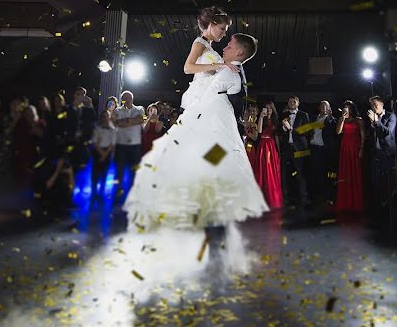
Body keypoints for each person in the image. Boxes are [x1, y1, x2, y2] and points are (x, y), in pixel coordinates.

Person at [124, 32, 267, 231]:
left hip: (213, 125)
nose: (224, 48)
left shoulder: (229, 72)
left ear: (239, 52)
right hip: (216, 126)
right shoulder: (233, 71)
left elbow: (206, 99)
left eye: (229, 46)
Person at [181, 6, 233, 111]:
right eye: (222, 28)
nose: (224, 34)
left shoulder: (208, 46)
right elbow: (188, 68)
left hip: (209, 95)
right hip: (198, 95)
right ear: (211, 25)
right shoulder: (200, 43)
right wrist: (219, 65)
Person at [367, 95, 397, 223]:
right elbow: (371, 135)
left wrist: (376, 121)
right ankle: (378, 210)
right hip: (376, 153)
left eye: (376, 105)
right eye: (372, 106)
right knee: (376, 182)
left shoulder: (390, 116)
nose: (374, 108)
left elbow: (387, 133)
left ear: (382, 104)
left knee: (388, 182)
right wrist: (372, 124)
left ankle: (389, 210)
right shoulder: (373, 118)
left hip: (387, 153)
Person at [247, 101, 283, 209]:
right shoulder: (259, 119)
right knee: (262, 170)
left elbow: (276, 136)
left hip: (271, 146)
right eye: (266, 108)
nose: (268, 111)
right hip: (263, 145)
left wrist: (278, 150)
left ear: (272, 109)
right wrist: (261, 117)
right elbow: (260, 131)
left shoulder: (275, 121)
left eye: (270, 109)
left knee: (271, 170)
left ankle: (271, 196)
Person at [112, 90, 145, 203]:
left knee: (134, 170)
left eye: (129, 98)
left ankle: (132, 193)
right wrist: (133, 121)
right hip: (121, 144)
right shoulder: (117, 110)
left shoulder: (139, 109)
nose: (127, 100)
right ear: (122, 99)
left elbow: (141, 119)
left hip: (135, 145)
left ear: (132, 99)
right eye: (125, 98)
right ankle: (118, 192)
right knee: (119, 170)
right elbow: (117, 123)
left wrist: (125, 121)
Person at [279, 95, 310, 208]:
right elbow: (279, 131)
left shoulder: (303, 115)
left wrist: (291, 128)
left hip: (299, 148)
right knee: (285, 173)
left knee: (300, 173)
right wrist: (283, 128)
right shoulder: (284, 115)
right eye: (289, 101)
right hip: (286, 148)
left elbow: (306, 132)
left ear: (298, 103)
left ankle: (303, 198)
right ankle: (286, 198)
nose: (291, 103)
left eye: (294, 101)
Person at [335, 100, 364, 213]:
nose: (345, 110)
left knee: (355, 172)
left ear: (351, 109)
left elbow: (363, 136)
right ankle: (345, 201)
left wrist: (361, 150)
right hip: (345, 147)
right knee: (345, 172)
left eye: (347, 108)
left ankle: (356, 202)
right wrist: (342, 120)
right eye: (344, 108)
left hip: (355, 146)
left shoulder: (359, 120)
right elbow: (338, 132)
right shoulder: (341, 119)